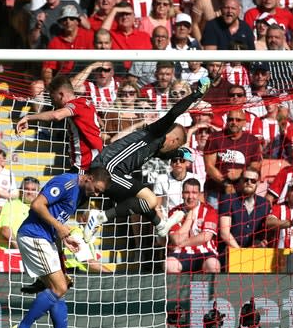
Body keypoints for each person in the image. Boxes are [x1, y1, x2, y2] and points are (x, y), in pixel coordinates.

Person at [83, 79, 211, 241]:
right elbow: (174, 113)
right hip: (107, 169)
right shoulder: (156, 132)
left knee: (141, 202)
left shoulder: (154, 148)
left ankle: (160, 225)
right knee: (149, 199)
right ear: (172, 140)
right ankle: (100, 217)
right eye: (175, 146)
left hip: (113, 171)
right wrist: (196, 95)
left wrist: (180, 153)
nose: (172, 151)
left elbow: (163, 154)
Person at [10, 166, 111, 328]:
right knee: (60, 287)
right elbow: (37, 205)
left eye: (100, 192)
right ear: (88, 178)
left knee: (58, 291)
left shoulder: (81, 194)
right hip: (34, 236)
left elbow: (57, 217)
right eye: (96, 188)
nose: (96, 193)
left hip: (46, 238)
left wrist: (64, 240)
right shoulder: (66, 182)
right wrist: (61, 228)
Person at [16, 74, 102, 172]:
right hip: (92, 162)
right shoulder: (85, 102)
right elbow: (100, 123)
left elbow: (57, 115)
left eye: (53, 98)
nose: (52, 103)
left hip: (85, 165)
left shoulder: (76, 105)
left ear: (61, 95)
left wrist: (28, 117)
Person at [203, 109, 263, 210]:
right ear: (227, 121)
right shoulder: (215, 138)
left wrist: (241, 172)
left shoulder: (252, 140)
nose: (234, 122)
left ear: (244, 122)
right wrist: (226, 184)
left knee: (238, 223)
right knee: (214, 221)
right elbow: (209, 167)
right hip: (215, 191)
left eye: (238, 120)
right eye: (231, 119)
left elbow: (256, 166)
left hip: (242, 192)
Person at [166, 178, 221, 274]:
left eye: (194, 193)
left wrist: (182, 243)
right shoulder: (174, 212)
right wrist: (189, 219)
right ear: (182, 194)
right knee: (169, 264)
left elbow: (206, 236)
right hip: (180, 254)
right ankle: (175, 289)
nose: (190, 196)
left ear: (200, 194)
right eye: (187, 192)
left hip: (205, 253)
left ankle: (207, 290)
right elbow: (176, 239)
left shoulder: (209, 210)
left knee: (213, 265)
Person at [219, 168, 272, 267]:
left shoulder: (264, 204)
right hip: (229, 253)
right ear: (240, 181)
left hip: (255, 254)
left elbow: (264, 233)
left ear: (258, 183)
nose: (249, 183)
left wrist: (259, 244)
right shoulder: (228, 200)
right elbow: (224, 233)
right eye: (246, 180)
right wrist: (241, 254)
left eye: (253, 181)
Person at [0, 176, 40, 249]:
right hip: (10, 253)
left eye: (33, 190)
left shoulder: (40, 209)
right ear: (20, 191)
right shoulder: (11, 205)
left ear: (38, 192)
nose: (29, 192)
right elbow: (5, 230)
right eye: (26, 189)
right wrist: (20, 249)